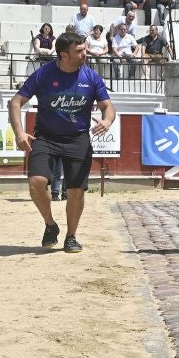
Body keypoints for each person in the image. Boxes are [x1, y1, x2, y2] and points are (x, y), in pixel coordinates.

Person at [8, 29, 115, 253]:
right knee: (36, 182)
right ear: (63, 55)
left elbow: (108, 106)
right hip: (45, 137)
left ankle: (71, 236)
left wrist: (107, 120)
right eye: (79, 50)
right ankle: (50, 224)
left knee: (76, 190)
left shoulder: (91, 76)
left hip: (78, 139)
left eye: (85, 49)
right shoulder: (43, 74)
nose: (85, 53)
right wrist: (19, 133)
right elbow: (16, 102)